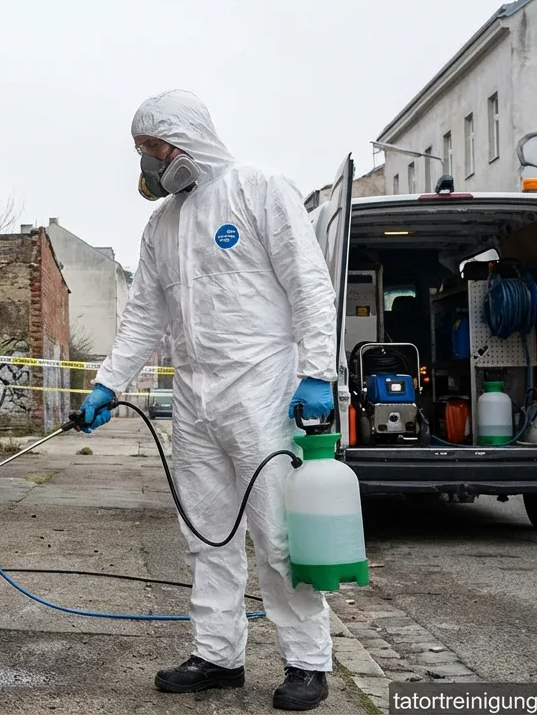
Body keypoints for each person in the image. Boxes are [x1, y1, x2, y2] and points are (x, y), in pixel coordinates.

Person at [78, 90, 338, 711]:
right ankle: (219, 655)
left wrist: (317, 372)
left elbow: (309, 284)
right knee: (206, 532)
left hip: (262, 387)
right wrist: (109, 382)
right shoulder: (160, 225)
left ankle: (307, 661)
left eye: (152, 147)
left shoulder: (259, 189)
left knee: (277, 531)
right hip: (193, 395)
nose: (146, 162)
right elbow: (144, 316)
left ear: (185, 139)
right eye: (139, 151)